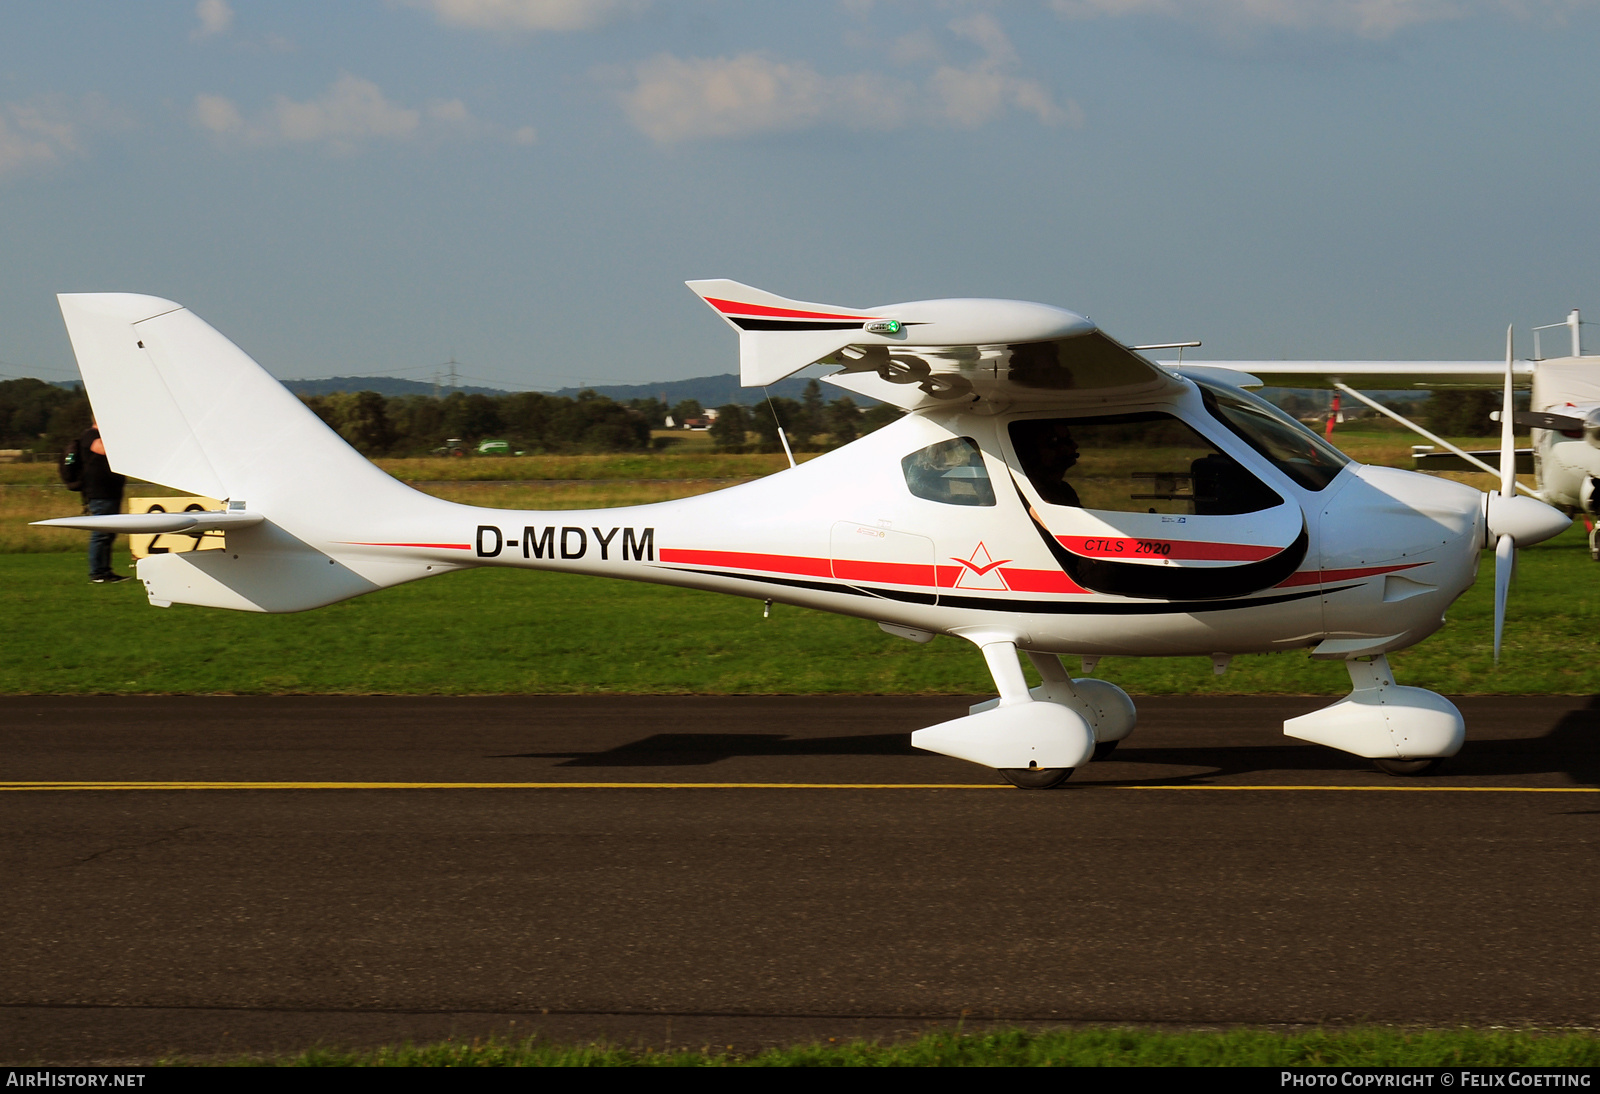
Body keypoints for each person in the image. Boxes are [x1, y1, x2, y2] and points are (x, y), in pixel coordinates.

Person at [78, 420, 127, 583]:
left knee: (108, 534)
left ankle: (105, 571)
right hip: (100, 493)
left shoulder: (99, 436)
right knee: (101, 534)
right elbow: (104, 449)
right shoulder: (90, 435)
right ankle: (97, 572)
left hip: (111, 492)